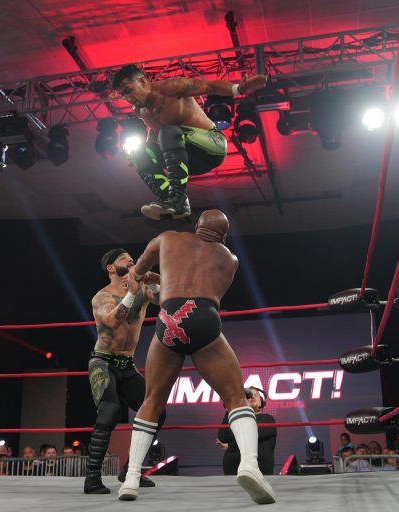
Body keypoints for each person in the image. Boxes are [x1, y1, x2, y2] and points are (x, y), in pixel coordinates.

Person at [118, 209, 275, 504]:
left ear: (197, 226)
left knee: (152, 400)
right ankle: (250, 466)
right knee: (235, 398)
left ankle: (131, 478)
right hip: (204, 317)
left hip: (169, 319)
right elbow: (201, 287)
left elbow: (139, 272)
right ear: (223, 236)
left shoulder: (167, 238)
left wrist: (147, 278)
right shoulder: (230, 259)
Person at [111, 65, 267, 220]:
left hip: (212, 146)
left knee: (168, 131)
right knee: (138, 152)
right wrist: (144, 156)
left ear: (143, 81)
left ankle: (177, 198)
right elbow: (154, 132)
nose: (127, 98)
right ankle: (169, 202)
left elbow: (210, 86)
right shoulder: (140, 110)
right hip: (190, 161)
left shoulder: (171, 87)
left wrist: (238, 89)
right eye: (122, 95)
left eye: (129, 90)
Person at [83, 248, 165, 494]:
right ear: (111, 268)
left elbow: (165, 300)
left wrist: (156, 281)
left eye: (132, 258)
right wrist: (131, 292)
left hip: (127, 365)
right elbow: (110, 321)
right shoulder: (102, 296)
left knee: (157, 411)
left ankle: (131, 470)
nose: (130, 260)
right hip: (102, 362)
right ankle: (92, 478)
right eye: (123, 259)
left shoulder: (143, 290)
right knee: (110, 411)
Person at [217, 387, 277, 475]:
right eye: (248, 396)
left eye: (256, 395)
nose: (252, 397)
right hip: (233, 471)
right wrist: (229, 409)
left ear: (261, 401)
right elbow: (223, 437)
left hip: (260, 472)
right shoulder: (235, 420)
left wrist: (231, 445)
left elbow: (251, 435)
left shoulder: (268, 419)